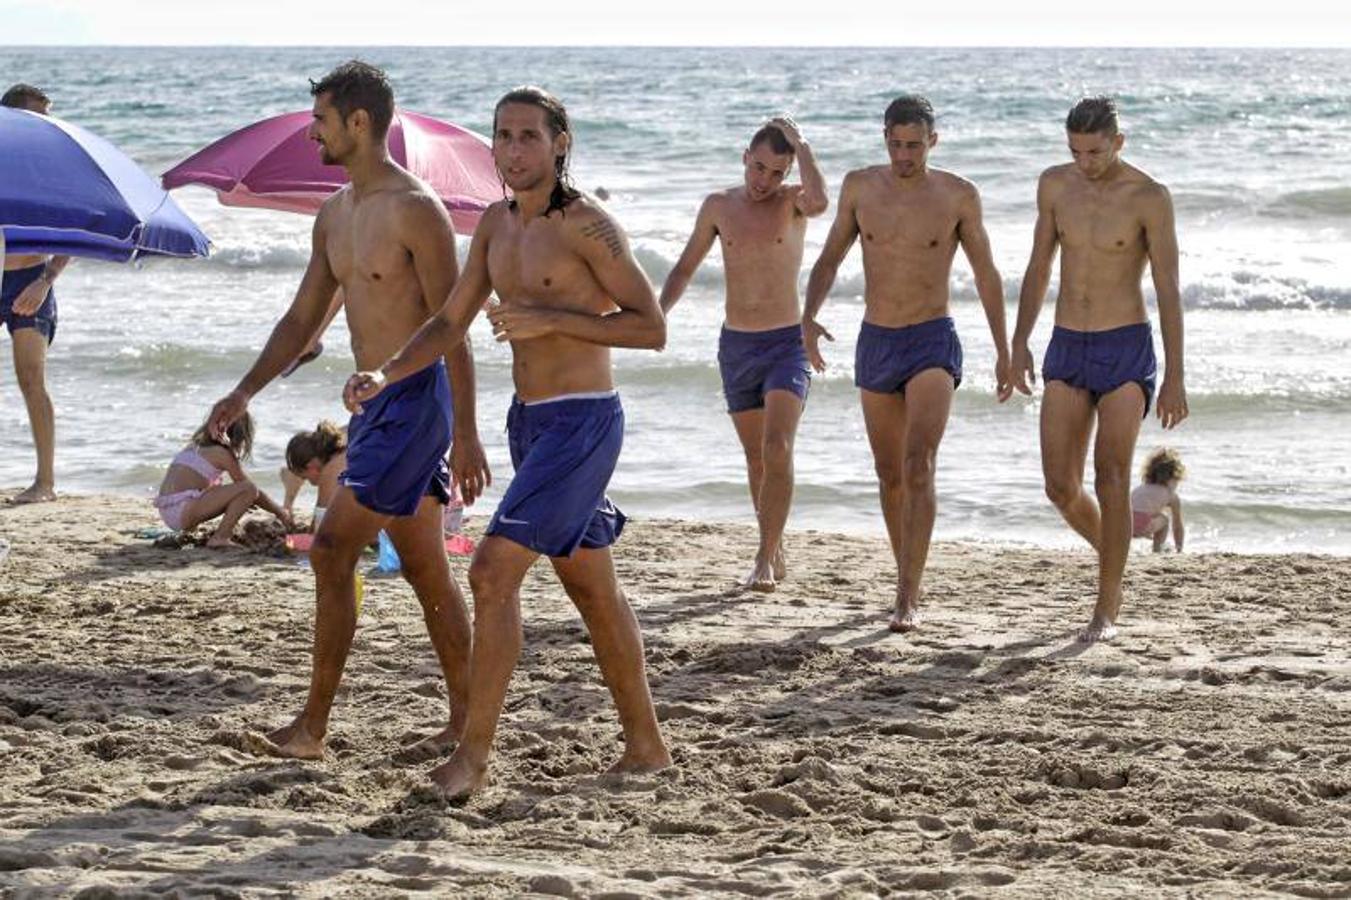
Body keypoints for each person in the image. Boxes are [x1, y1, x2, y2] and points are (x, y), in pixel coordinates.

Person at [346, 85, 672, 800]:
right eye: (502, 135)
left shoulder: (589, 227)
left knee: (491, 572)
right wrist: (385, 371)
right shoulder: (493, 226)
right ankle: (646, 747)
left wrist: (548, 321)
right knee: (591, 586)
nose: (513, 150)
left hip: (583, 423)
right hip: (529, 423)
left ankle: (474, 757)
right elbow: (448, 321)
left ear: (560, 143)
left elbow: (650, 328)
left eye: (528, 136)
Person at [205, 61, 491, 760]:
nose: (313, 134)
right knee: (425, 567)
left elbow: (452, 325)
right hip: (374, 416)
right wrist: (245, 391)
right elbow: (302, 318)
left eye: (322, 121)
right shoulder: (335, 216)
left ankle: (312, 730)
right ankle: (466, 724)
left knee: (332, 550)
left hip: (416, 403)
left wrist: (469, 434)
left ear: (358, 123)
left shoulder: (415, 210)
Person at [803, 95, 1012, 633]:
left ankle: (907, 595)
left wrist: (1007, 349)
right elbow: (830, 257)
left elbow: (986, 272)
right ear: (885, 139)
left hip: (931, 341)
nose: (903, 155)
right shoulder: (859, 187)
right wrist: (807, 317)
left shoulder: (958, 195)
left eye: (914, 145)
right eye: (895, 144)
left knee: (918, 462)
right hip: (877, 340)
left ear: (932, 142)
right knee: (889, 473)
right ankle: (906, 571)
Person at [1011, 96, 1188, 643]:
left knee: (1110, 475)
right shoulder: (1055, 185)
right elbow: (1040, 265)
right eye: (1075, 150)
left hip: (1125, 349)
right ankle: (1116, 552)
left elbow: (1167, 288)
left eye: (1095, 150)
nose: (1085, 161)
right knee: (1059, 486)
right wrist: (1019, 342)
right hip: (1068, 344)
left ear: (1119, 142)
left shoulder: (1148, 197)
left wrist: (1176, 375)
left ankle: (1105, 608)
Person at [660, 117, 828, 591]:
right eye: (758, 168)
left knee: (778, 447)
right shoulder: (718, 205)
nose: (764, 181)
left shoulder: (793, 203)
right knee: (756, 459)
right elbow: (685, 267)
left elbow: (820, 200)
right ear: (744, 159)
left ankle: (763, 556)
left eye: (777, 172)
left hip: (785, 345)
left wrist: (803, 144)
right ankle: (773, 544)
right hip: (737, 346)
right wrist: (658, 315)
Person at [2, 84, 70, 505]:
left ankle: (45, 482)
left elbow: (75, 234)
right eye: (36, 117)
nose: (45, 127)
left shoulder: (53, 170)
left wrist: (46, 279)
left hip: (30, 279)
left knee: (31, 379)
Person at [154, 412, 289, 546]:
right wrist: (280, 512)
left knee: (232, 490)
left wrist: (237, 499)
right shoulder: (222, 454)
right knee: (248, 489)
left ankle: (195, 528)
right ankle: (220, 537)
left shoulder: (195, 445)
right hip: (181, 512)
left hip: (168, 510)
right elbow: (252, 490)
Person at [280, 420, 348, 527]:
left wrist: (289, 541)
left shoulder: (331, 473)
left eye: (305, 477)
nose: (309, 483)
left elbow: (317, 534)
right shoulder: (344, 452)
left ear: (311, 466)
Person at [1132, 447, 1185, 553]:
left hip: (1125, 523)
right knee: (1165, 520)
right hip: (1142, 525)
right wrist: (1179, 548)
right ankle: (1157, 550)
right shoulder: (1171, 496)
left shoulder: (1140, 488)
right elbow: (1177, 526)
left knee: (1155, 515)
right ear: (1173, 477)